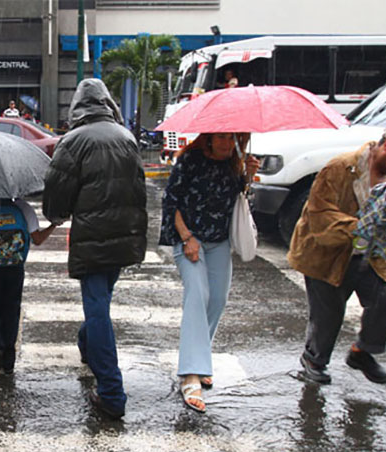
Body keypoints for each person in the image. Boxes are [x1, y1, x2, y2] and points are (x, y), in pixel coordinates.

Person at [289, 121, 386, 386]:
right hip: (327, 253)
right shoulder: (340, 168)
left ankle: (363, 352)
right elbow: (320, 214)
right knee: (328, 315)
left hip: (370, 256)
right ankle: (314, 361)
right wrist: (364, 228)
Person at [43, 78, 148, 419]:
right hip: (125, 236)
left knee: (97, 310)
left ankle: (112, 394)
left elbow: (55, 196)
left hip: (92, 238)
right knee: (101, 301)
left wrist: (56, 216)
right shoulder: (127, 137)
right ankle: (87, 345)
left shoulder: (73, 141)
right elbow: (140, 189)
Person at [159, 133, 260, 413]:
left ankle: (200, 357)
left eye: (233, 138)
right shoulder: (190, 160)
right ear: (209, 140)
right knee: (197, 295)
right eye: (223, 138)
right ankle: (191, 374)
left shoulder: (234, 161)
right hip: (189, 238)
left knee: (217, 299)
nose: (228, 143)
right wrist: (186, 237)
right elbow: (171, 201)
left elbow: (237, 196)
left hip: (219, 240)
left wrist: (248, 175)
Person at [0, 198, 59, 374]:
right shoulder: (23, 207)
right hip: (15, 266)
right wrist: (53, 225)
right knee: (11, 308)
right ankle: (8, 360)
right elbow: (37, 239)